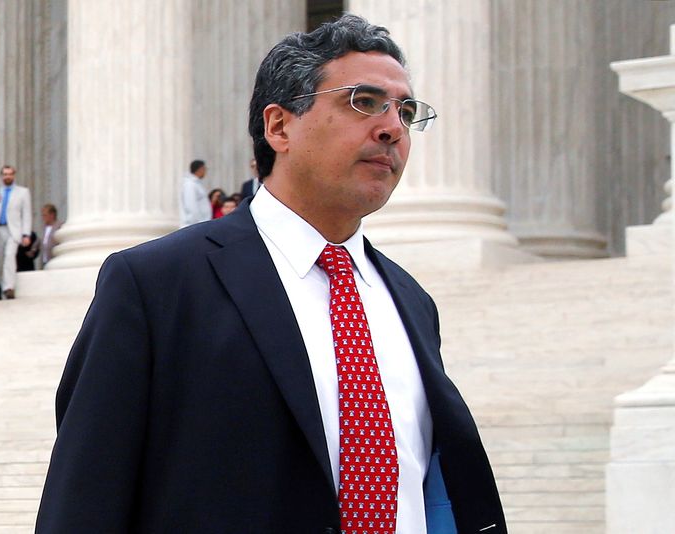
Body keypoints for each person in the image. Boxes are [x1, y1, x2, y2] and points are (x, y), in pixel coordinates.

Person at [37, 15, 504, 534]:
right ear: (279, 126)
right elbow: (85, 499)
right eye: (364, 102)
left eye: (405, 110)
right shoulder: (156, 286)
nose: (393, 127)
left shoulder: (411, 302)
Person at [0, 165, 32, 299]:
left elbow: (26, 214)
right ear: (1, 176)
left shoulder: (23, 192)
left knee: (10, 256)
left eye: (10, 174)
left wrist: (26, 234)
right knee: (0, 262)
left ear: (14, 175)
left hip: (14, 230)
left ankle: (9, 287)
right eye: (5, 174)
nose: (7, 176)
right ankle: (3, 290)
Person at [178, 159, 211, 227]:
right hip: (194, 226)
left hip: (199, 224)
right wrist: (197, 225)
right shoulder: (190, 185)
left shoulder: (196, 184)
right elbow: (191, 206)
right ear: (201, 169)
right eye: (205, 169)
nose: (205, 172)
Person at [40, 204, 62, 268]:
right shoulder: (44, 228)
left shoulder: (59, 226)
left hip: (55, 261)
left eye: (45, 215)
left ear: (52, 215)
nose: (43, 218)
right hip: (44, 261)